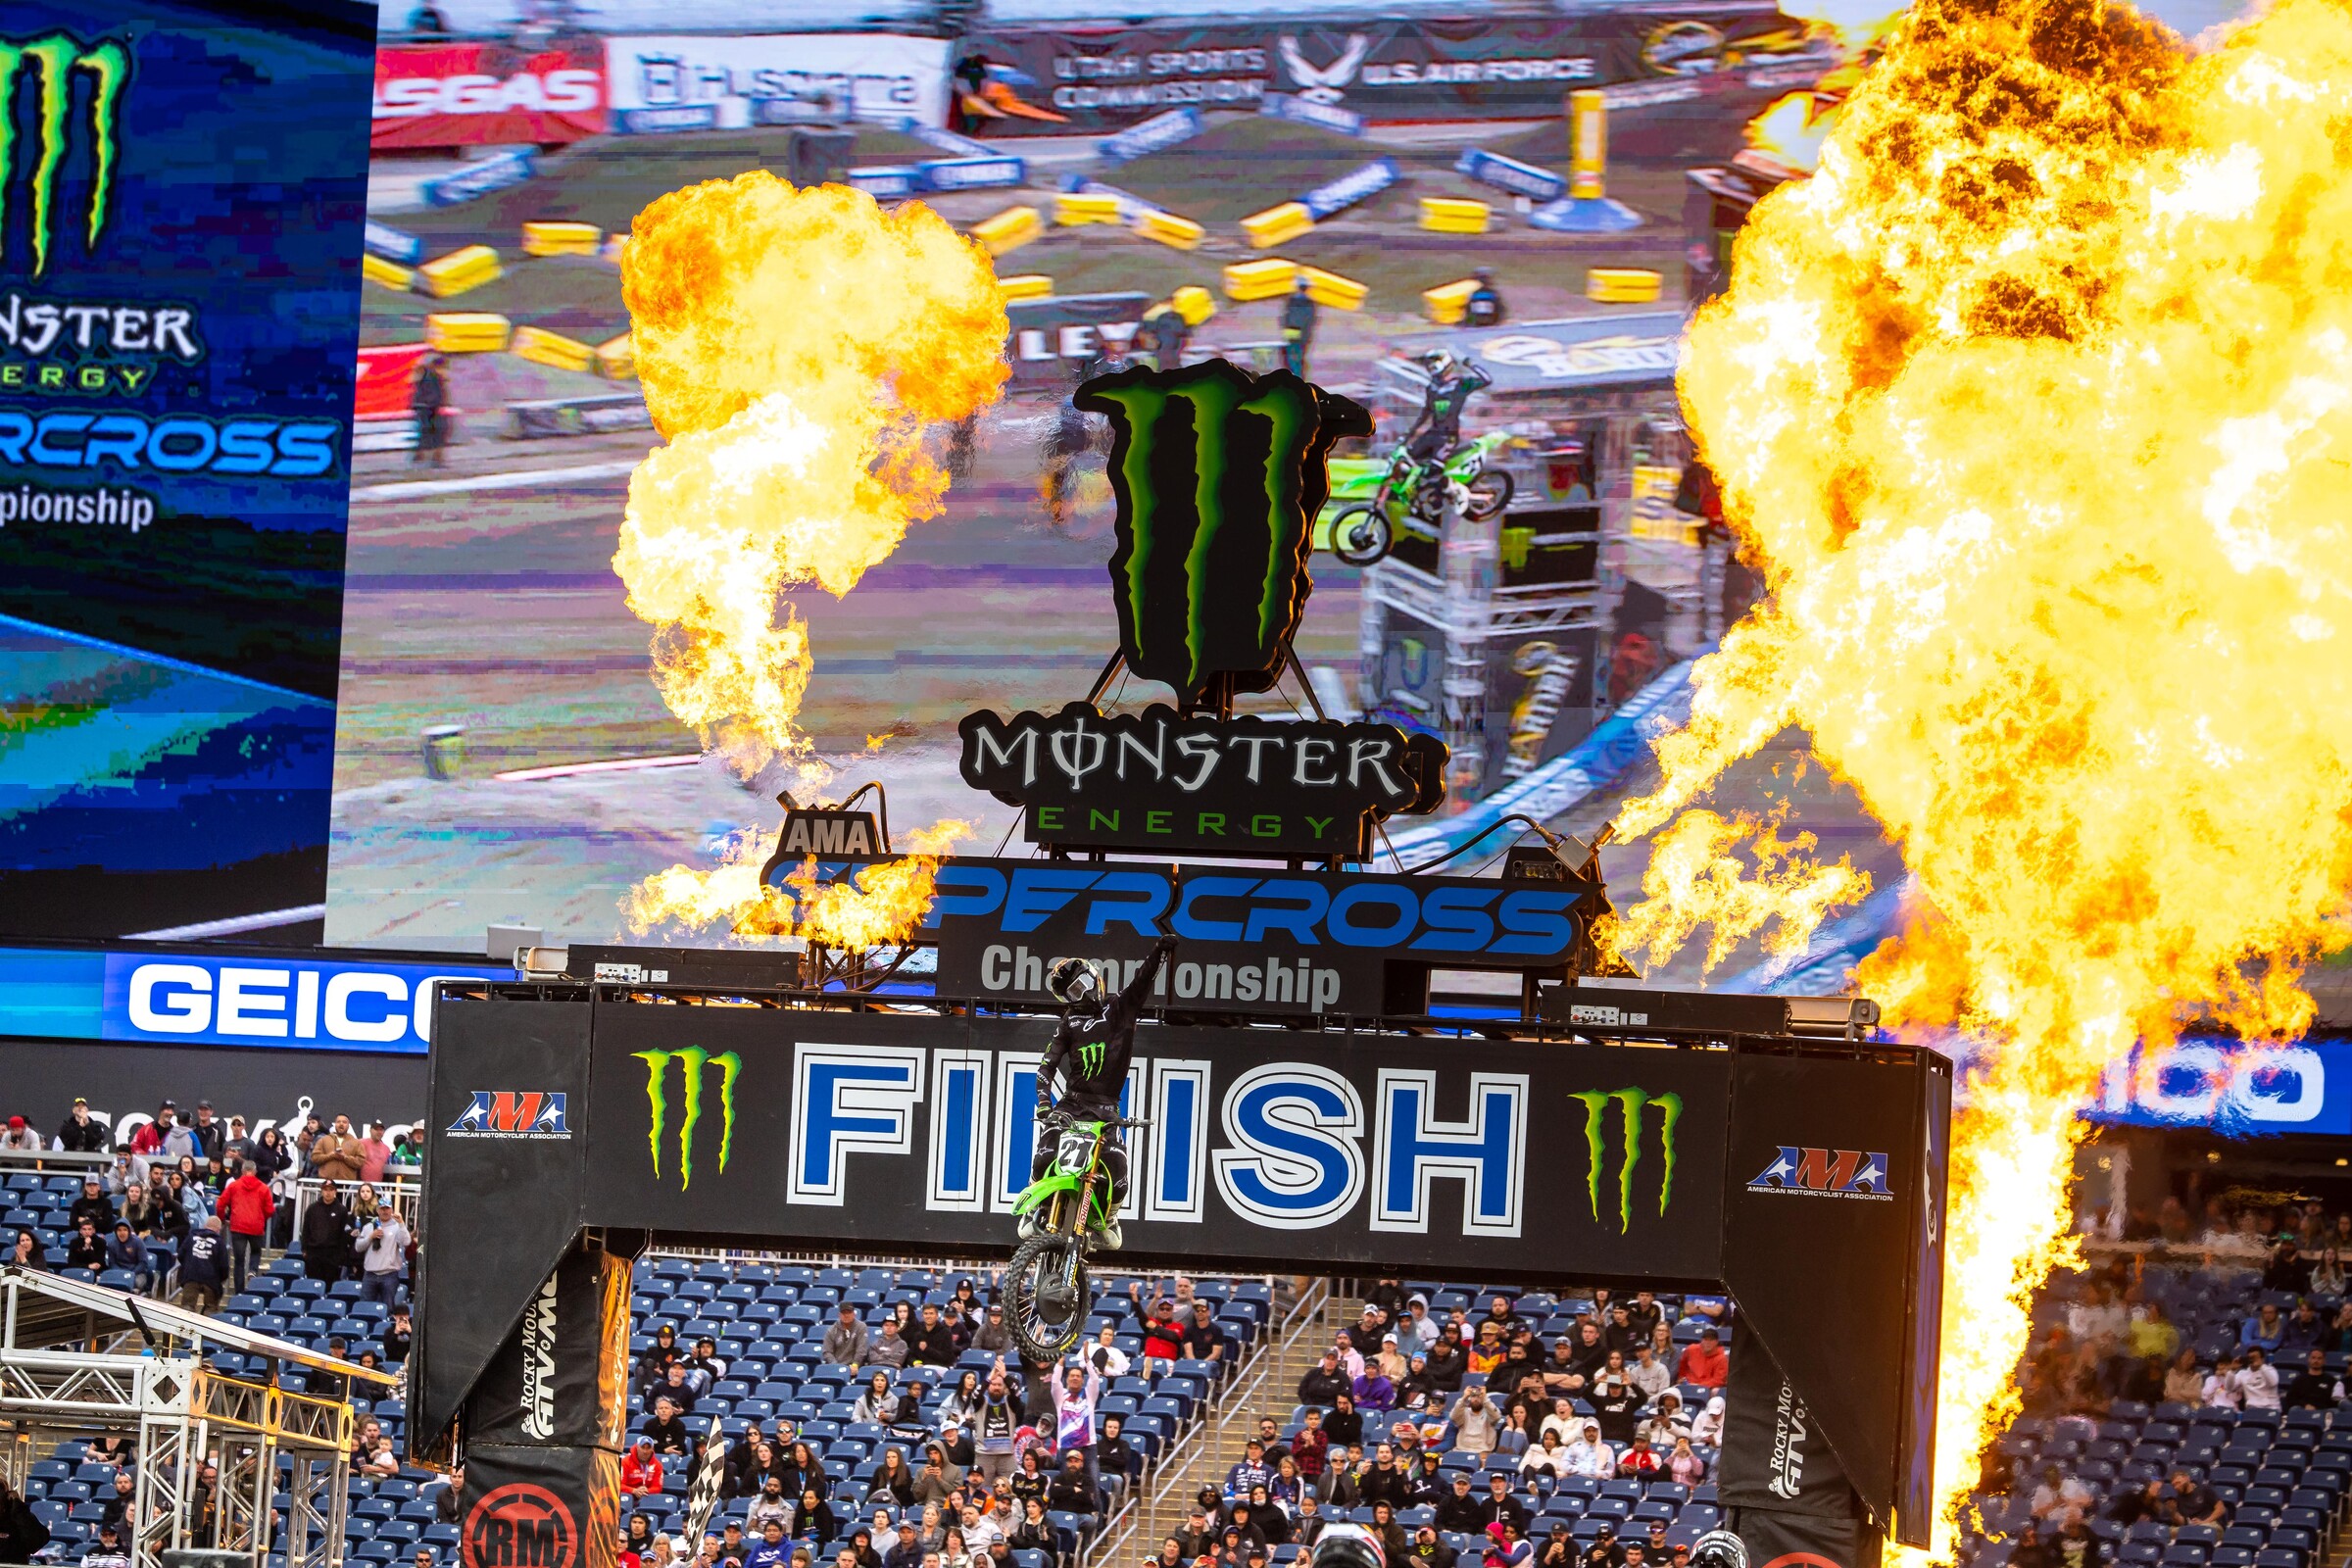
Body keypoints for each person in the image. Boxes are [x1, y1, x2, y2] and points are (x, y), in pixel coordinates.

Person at [1023, 932, 1177, 1250]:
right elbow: (1046, 1066)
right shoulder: (1069, 1023)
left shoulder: (1122, 1006)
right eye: (1072, 994)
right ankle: (1034, 1204)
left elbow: (1143, 979)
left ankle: (1109, 1218)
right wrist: (1043, 1105)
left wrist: (1159, 951)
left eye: (1082, 985)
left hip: (1107, 1107)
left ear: (1095, 978)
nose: (1081, 995)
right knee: (1044, 1155)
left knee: (1119, 1170)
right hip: (1071, 1102)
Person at [1401, 351, 1493, 483]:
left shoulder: (1460, 384)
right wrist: (1410, 433)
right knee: (1405, 461)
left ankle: (1448, 495)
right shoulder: (1432, 388)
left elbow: (1486, 380)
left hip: (1448, 437)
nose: (1430, 366)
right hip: (1432, 433)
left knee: (1434, 470)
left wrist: (1470, 364)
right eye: (1428, 363)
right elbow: (1426, 412)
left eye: (1433, 362)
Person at [218, 1160, 273, 1292]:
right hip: (256, 1226)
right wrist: (261, 1218)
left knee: (238, 1261)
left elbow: (220, 1204)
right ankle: (253, 1270)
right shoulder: (263, 1187)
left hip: (237, 1226)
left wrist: (222, 1218)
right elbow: (270, 1210)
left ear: (242, 1171)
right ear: (255, 1172)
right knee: (255, 1251)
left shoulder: (234, 1186)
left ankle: (239, 1292)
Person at [358, 1206, 412, 1305]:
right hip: (370, 1273)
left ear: (392, 1210)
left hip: (389, 1274)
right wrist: (370, 1237)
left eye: (387, 1209)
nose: (385, 1211)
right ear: (378, 1210)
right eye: (382, 1209)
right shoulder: (369, 1227)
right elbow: (358, 1247)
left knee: (389, 1307)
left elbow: (406, 1242)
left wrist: (401, 1224)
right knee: (365, 1306)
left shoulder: (397, 1227)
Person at [302, 1180, 354, 1281]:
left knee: (330, 1285)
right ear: (322, 1191)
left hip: (332, 1254)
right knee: (313, 1284)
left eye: (331, 1190)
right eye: (325, 1189)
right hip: (314, 1253)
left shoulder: (342, 1210)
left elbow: (343, 1234)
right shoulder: (312, 1209)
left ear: (335, 1191)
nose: (328, 1192)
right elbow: (306, 1230)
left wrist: (340, 1255)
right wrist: (304, 1249)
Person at [412, 352, 451, 467]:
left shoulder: (427, 374)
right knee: (433, 431)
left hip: (428, 406)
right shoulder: (428, 375)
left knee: (430, 431)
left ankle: (427, 456)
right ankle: (431, 457)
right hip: (427, 406)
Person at [1280, 276, 1317, 378]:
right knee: (1299, 357)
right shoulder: (1311, 303)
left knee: (1289, 356)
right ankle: (1299, 378)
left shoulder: (1291, 301)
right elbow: (1312, 320)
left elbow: (1286, 318)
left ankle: (1294, 378)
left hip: (1292, 332)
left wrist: (1284, 328)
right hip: (1304, 334)